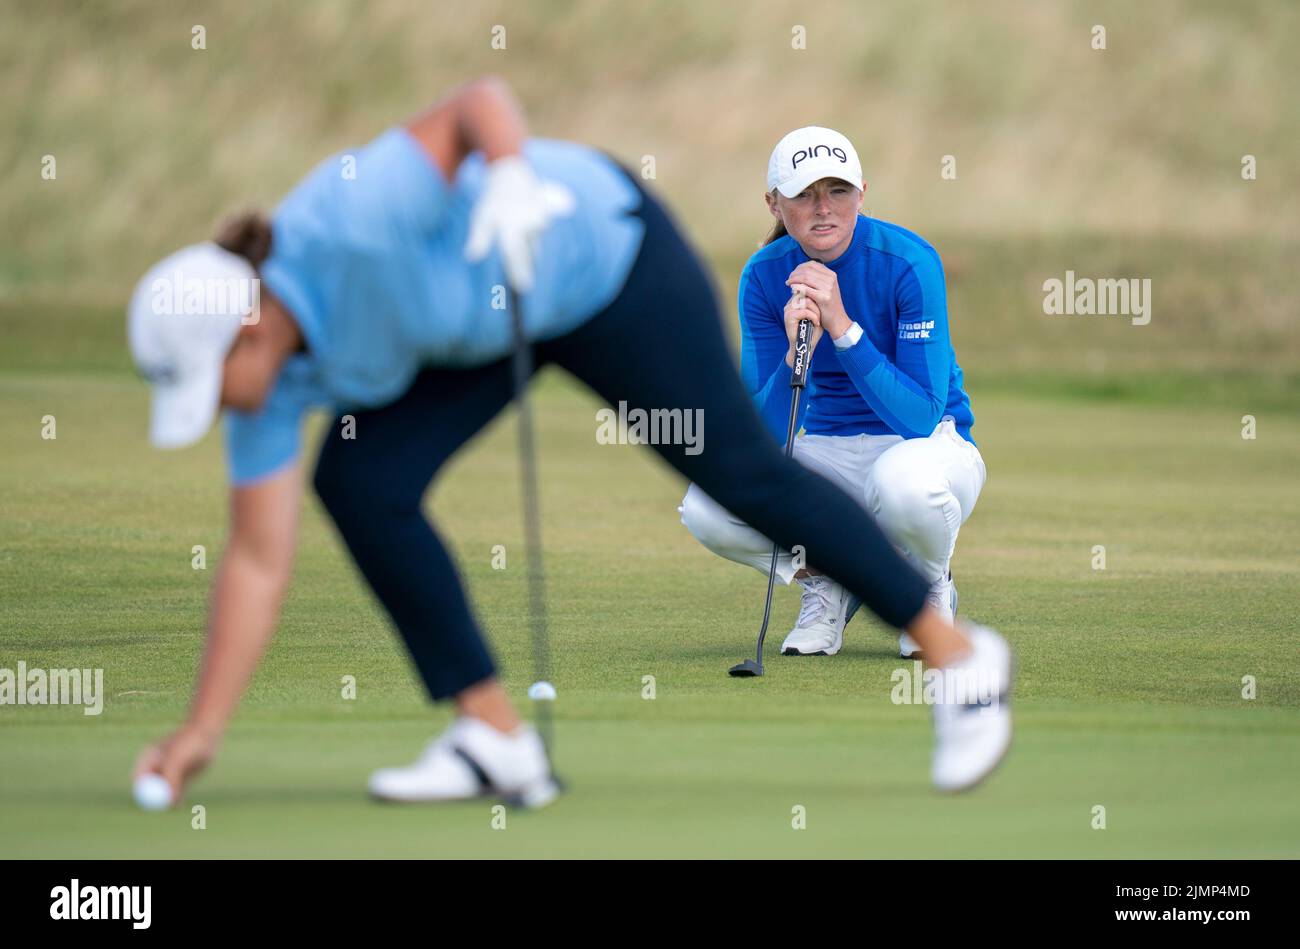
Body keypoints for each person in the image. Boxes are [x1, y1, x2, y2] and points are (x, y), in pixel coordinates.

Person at [129, 78, 1012, 806]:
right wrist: (201, 730)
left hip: (606, 262)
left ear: (245, 328)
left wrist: (510, 178)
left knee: (742, 472)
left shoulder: (347, 218)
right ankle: (493, 737)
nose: (217, 412)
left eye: (210, 390)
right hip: (490, 322)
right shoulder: (270, 382)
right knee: (361, 483)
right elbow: (254, 555)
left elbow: (476, 102)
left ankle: (960, 656)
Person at [681, 126, 987, 661]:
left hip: (931, 447)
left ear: (862, 193)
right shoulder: (763, 276)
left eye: (838, 191)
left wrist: (844, 330)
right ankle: (827, 577)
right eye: (804, 194)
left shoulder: (909, 262)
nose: (824, 209)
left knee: (904, 485)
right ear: (775, 204)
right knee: (705, 501)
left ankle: (928, 585)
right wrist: (791, 352)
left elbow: (919, 416)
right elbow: (761, 432)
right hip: (826, 447)